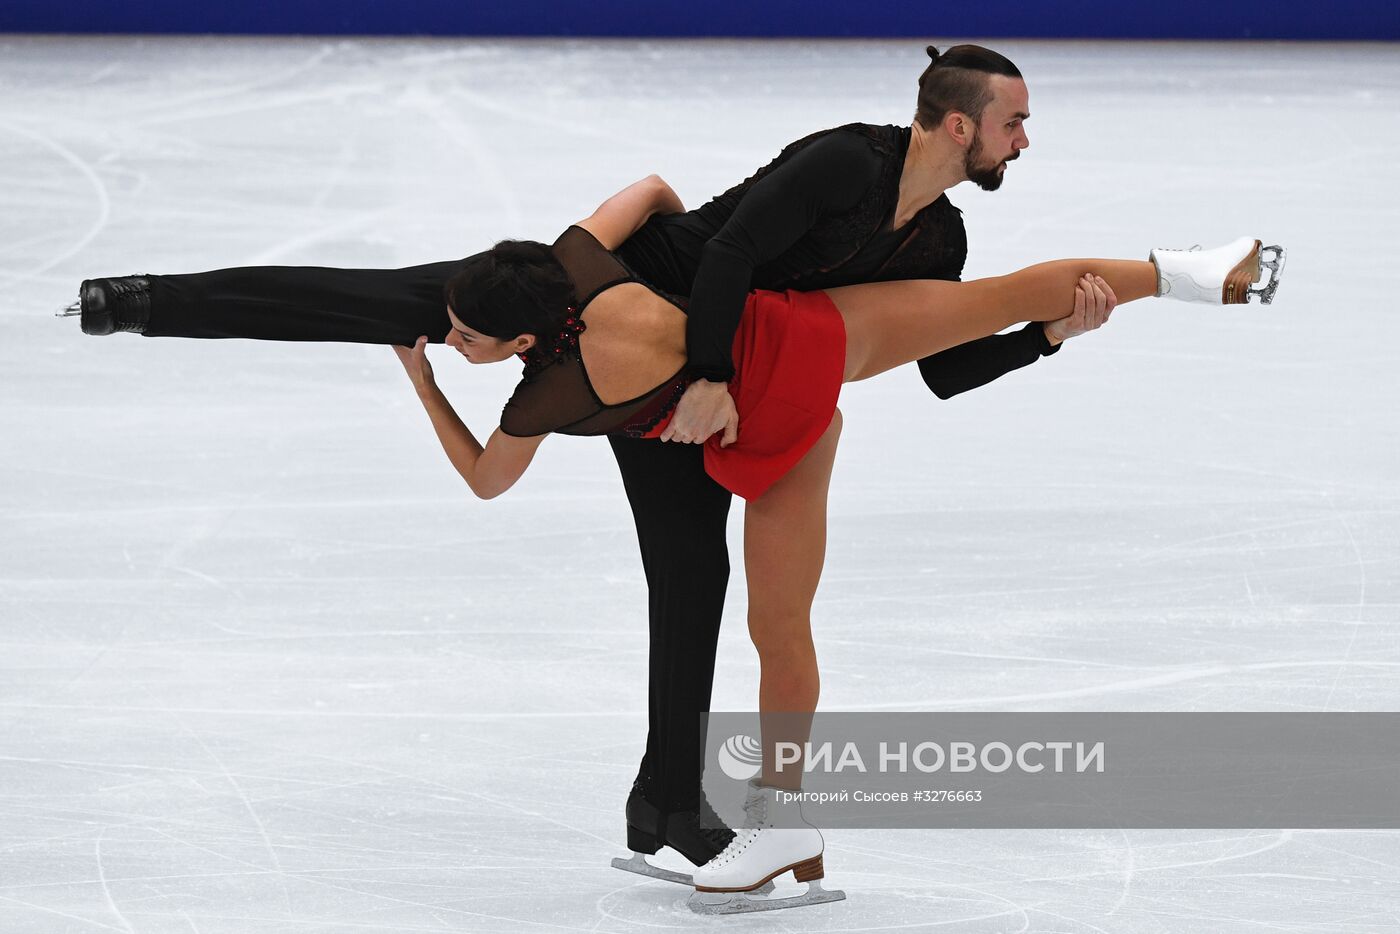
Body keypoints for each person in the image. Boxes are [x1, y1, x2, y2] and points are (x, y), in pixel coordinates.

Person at [68, 45, 1262, 881]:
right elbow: (729, 239)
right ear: (958, 122)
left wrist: (1046, 340)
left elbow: (937, 367)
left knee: (695, 591)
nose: (1026, 141)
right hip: (672, 352)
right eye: (1013, 121)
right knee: (372, 296)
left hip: (710, 383)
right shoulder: (842, 159)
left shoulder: (939, 234)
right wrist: (683, 335)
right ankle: (144, 300)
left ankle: (669, 808)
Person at [387, 179, 1282, 912]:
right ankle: (1189, 273)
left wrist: (426, 385)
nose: (456, 340)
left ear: (527, 342)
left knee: (778, 627)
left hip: (779, 417)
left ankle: (785, 821)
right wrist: (1048, 336)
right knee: (997, 303)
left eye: (468, 333)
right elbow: (657, 190)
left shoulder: (541, 398)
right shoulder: (578, 260)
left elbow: (487, 480)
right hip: (806, 340)